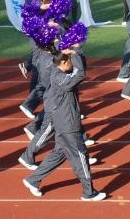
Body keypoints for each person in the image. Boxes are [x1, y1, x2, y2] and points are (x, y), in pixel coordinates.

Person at [23, 51, 105, 201]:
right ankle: (88, 192)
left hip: (63, 122)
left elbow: (78, 72)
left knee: (58, 154)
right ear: (64, 63)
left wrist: (74, 54)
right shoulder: (59, 77)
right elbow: (80, 74)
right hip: (68, 124)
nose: (72, 64)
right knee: (81, 156)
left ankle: (33, 180)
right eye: (70, 62)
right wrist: (75, 54)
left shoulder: (59, 72)